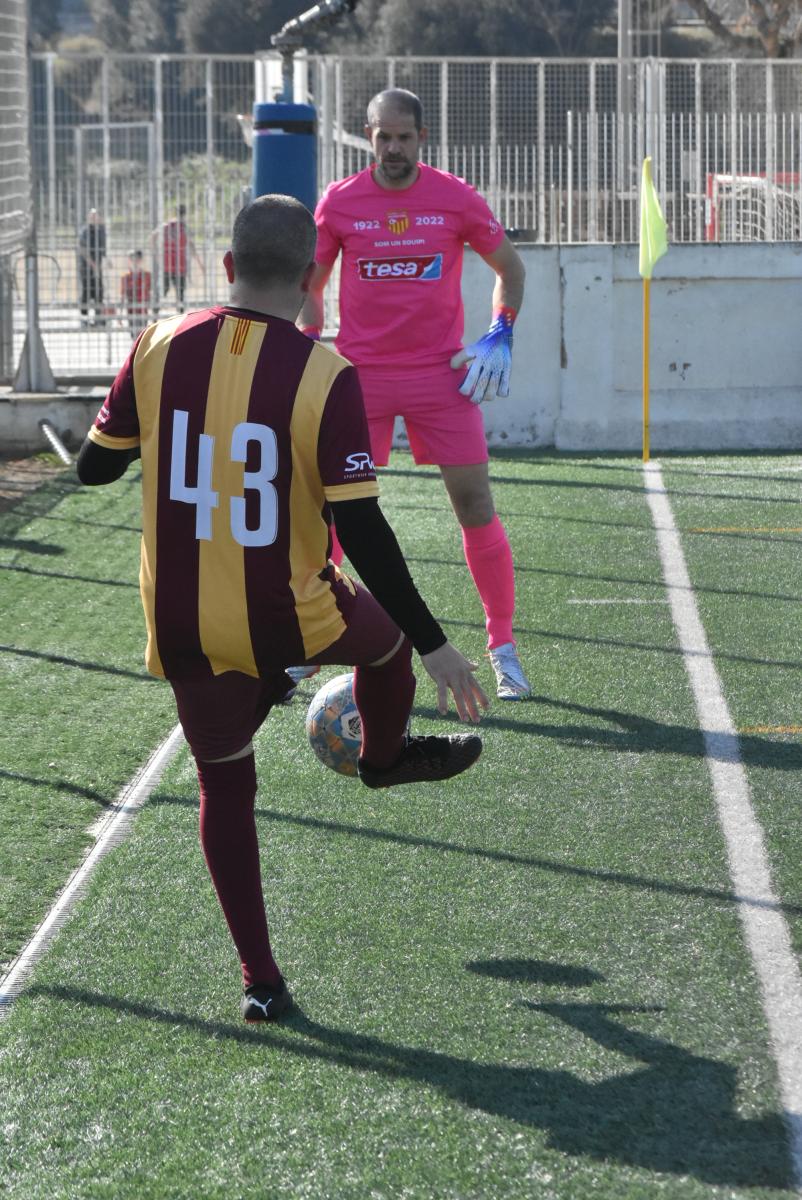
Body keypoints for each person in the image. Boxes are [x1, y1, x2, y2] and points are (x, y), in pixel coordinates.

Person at [76, 194, 489, 1025]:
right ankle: (382, 760)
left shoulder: (156, 343)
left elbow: (95, 468)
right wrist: (434, 642)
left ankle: (260, 980)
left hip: (185, 622)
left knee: (225, 786)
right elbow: (362, 531)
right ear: (310, 279)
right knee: (385, 651)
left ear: (227, 266)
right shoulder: (324, 374)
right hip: (292, 610)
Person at [297, 88, 531, 702]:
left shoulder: (455, 197)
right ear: (368, 136)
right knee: (333, 515)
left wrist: (500, 332)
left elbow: (510, 268)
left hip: (440, 375)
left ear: (421, 138)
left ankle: (503, 646)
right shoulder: (340, 202)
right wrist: (311, 340)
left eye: (404, 137)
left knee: (475, 504)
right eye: (384, 137)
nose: (394, 148)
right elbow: (310, 284)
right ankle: (313, 641)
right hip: (359, 378)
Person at [151, 204, 202, 311]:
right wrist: (200, 263)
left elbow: (153, 236)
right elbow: (192, 246)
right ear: (185, 214)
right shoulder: (184, 227)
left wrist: (156, 253)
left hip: (167, 263)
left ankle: (155, 313)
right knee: (180, 293)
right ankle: (180, 315)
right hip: (180, 264)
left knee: (163, 290)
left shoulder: (166, 225)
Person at [77, 208, 106, 326]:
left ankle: (98, 317)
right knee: (86, 291)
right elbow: (82, 249)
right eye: (92, 216)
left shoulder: (101, 231)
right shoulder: (85, 231)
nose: (94, 218)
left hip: (97, 267)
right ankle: (84, 318)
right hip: (86, 267)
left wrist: (105, 261)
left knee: (99, 292)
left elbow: (103, 249)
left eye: (96, 216)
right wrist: (92, 264)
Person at [119, 249, 152, 339]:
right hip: (131, 310)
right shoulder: (125, 277)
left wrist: (153, 313)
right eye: (132, 259)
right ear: (129, 260)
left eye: (137, 259)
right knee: (134, 336)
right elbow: (122, 295)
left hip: (143, 309)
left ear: (141, 260)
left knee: (142, 335)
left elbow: (150, 293)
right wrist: (120, 315)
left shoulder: (146, 275)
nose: (135, 262)